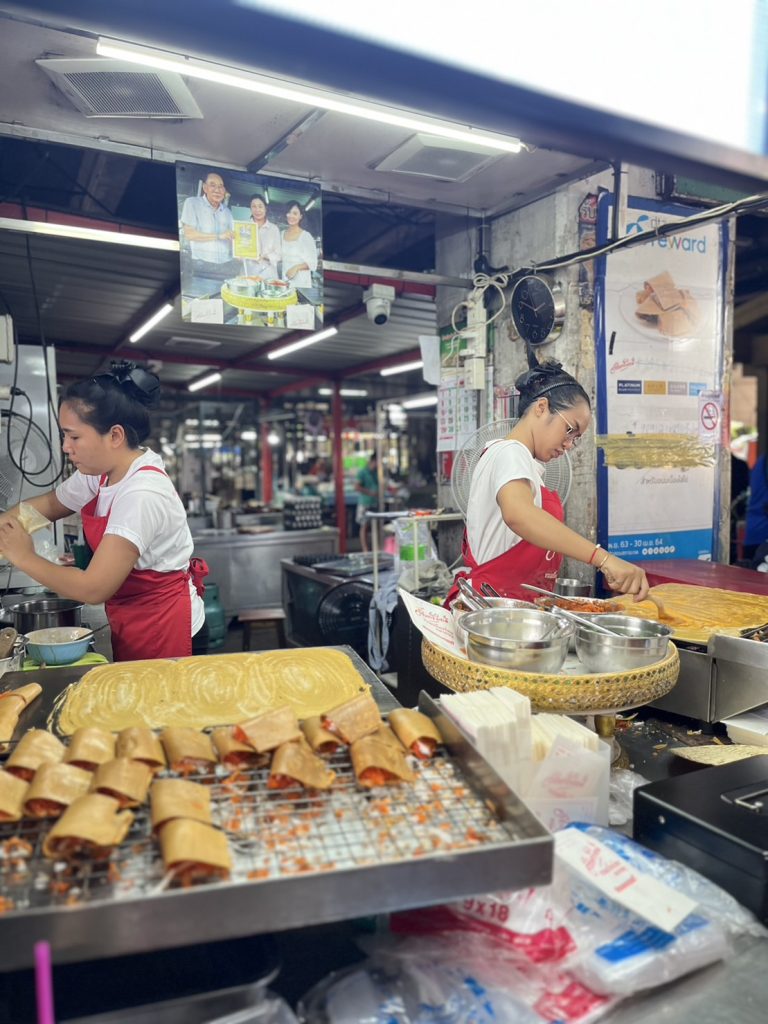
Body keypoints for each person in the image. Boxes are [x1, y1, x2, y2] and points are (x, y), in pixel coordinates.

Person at [0, 362, 209, 661]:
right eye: (64, 436)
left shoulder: (141, 493)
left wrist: (23, 556)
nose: (65, 447)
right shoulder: (98, 472)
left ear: (114, 436)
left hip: (167, 626)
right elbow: (47, 506)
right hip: (133, 618)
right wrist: (6, 524)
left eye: (74, 437)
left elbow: (94, 588)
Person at [445, 359, 649, 605]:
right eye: (570, 430)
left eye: (576, 439)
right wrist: (603, 559)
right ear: (541, 408)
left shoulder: (525, 465)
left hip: (514, 606)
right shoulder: (510, 451)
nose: (569, 444)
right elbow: (519, 515)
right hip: (496, 609)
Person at [180, 171, 241, 281]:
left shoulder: (227, 212)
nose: (217, 190)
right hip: (202, 266)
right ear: (205, 187)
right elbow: (190, 234)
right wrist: (219, 236)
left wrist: (242, 251)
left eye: (221, 186)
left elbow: (233, 238)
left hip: (226, 266)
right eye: (212, 185)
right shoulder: (192, 203)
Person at [243, 194, 281, 279]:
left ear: (265, 208)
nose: (257, 210)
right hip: (249, 274)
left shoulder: (273, 229)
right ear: (250, 209)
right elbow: (240, 252)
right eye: (254, 206)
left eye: (260, 206)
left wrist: (263, 256)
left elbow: (278, 255)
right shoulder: (244, 227)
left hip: (268, 275)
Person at [281, 201, 318, 287]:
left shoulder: (306, 236)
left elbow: (313, 263)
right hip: (285, 281)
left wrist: (296, 267)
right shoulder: (282, 234)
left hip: (301, 283)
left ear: (300, 216)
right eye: (289, 212)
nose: (291, 216)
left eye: (295, 213)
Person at [355, 453, 378, 553]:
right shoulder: (363, 472)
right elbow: (356, 487)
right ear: (372, 461)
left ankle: (376, 548)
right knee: (364, 526)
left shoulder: (377, 473)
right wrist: (369, 492)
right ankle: (365, 549)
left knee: (374, 526)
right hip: (365, 503)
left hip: (375, 503)